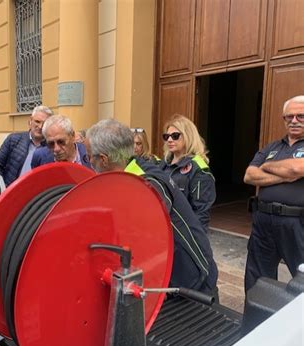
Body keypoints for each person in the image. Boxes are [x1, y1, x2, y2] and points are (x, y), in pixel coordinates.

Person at [86, 118, 218, 294]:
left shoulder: (147, 182)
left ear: (103, 159)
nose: (88, 161)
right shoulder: (130, 174)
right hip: (174, 276)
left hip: (193, 279)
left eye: (89, 156)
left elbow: (140, 233)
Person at [243, 95, 304, 292]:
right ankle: (255, 320)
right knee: (257, 278)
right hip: (263, 221)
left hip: (297, 223)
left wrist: (267, 167)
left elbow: (296, 169)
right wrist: (284, 174)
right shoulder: (273, 147)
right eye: (289, 117)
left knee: (302, 277)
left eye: (300, 116)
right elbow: (249, 175)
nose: (294, 121)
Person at [160, 114, 216, 232]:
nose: (170, 140)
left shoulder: (199, 169)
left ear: (188, 136)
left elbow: (201, 213)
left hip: (183, 234)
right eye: (167, 136)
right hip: (163, 230)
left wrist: (196, 242)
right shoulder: (163, 165)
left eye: (175, 136)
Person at [0, 105, 53, 186]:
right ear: (30, 121)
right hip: (11, 193)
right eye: (37, 121)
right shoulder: (13, 140)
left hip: (37, 196)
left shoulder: (52, 148)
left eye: (44, 124)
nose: (40, 127)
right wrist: (3, 189)